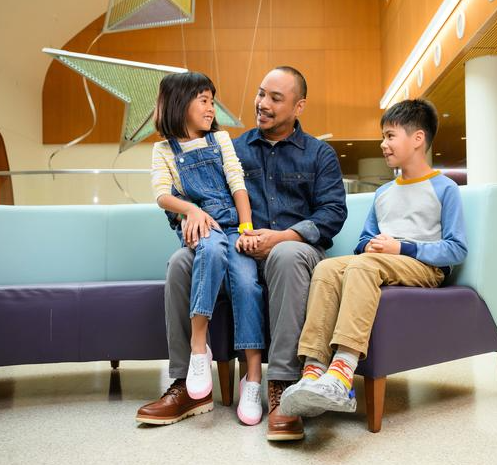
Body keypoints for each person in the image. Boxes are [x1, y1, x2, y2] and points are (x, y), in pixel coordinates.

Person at [136, 67, 348, 441]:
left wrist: (282, 236)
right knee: (181, 262)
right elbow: (186, 193)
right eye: (261, 94)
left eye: (275, 99)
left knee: (284, 256)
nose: (262, 104)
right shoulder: (230, 145)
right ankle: (186, 384)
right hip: (235, 245)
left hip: (293, 254)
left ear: (299, 106)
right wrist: (188, 218)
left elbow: (332, 214)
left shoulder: (320, 155)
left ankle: (282, 386)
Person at [279, 99, 468, 418]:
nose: (384, 144)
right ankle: (313, 371)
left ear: (417, 138)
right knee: (326, 267)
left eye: (391, 136)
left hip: (425, 267)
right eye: (384, 136)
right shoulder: (383, 194)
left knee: (365, 266)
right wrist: (372, 247)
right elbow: (364, 241)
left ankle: (342, 373)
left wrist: (401, 248)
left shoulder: (445, 188)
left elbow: (456, 249)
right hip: (383, 262)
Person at [145, 72, 265, 426]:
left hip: (232, 225)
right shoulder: (163, 149)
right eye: (203, 100)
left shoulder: (221, 140)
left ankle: (253, 378)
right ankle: (200, 346)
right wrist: (192, 210)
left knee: (247, 283)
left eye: (213, 100)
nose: (211, 107)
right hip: (201, 226)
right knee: (209, 252)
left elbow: (237, 183)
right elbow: (161, 194)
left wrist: (245, 228)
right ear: (180, 103)